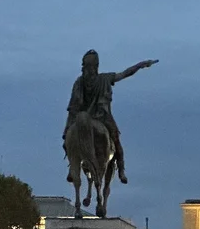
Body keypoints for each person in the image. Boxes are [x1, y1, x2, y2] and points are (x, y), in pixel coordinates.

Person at [62, 50, 158, 185]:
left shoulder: (96, 79)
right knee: (116, 140)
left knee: (69, 139)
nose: (86, 69)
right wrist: (140, 65)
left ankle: (74, 166)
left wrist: (139, 65)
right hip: (101, 116)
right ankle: (121, 170)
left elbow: (73, 107)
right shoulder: (85, 81)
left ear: (93, 67)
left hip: (95, 117)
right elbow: (124, 74)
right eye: (85, 66)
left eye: (87, 66)